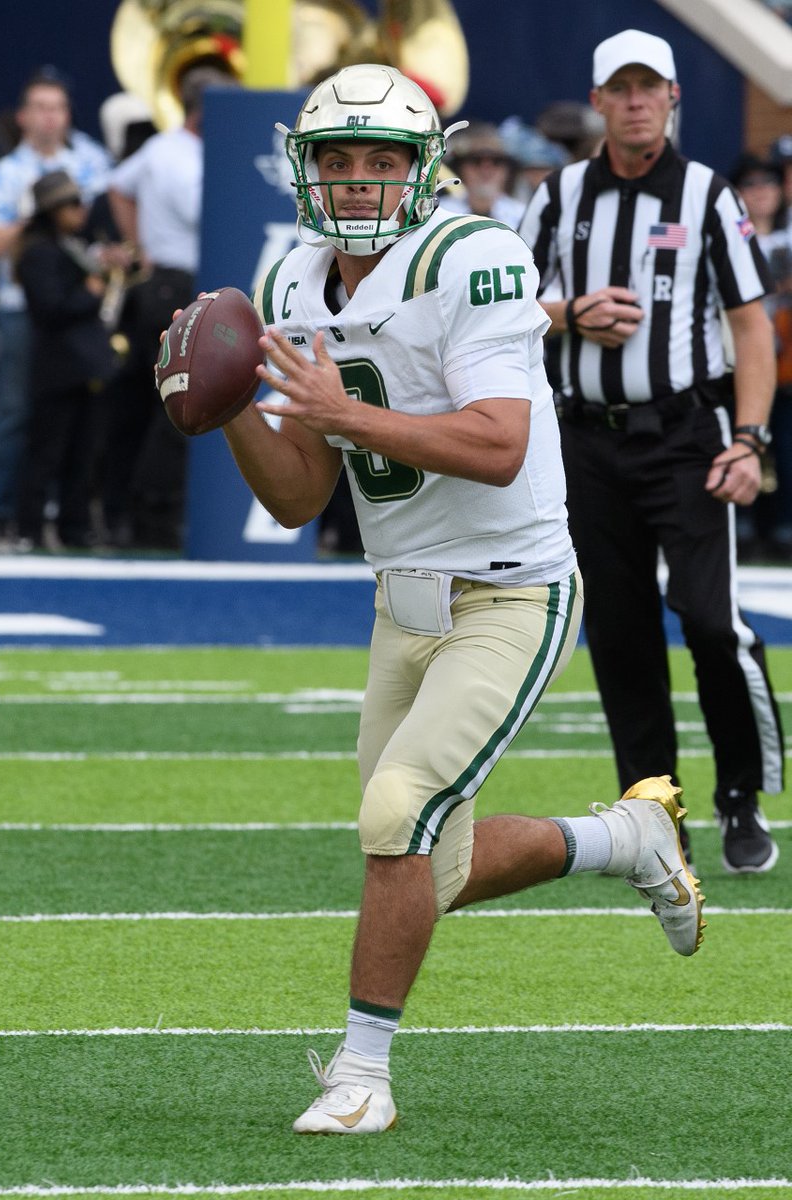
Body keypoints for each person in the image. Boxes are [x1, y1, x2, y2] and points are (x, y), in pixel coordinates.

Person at [210, 63, 704, 1134]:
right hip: (403, 603)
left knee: (396, 818)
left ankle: (360, 1072)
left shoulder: (471, 256)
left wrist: (346, 411)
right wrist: (218, 412)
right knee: (426, 866)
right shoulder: (295, 281)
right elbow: (299, 495)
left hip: (512, 596)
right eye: (336, 160)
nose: (354, 182)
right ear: (303, 167)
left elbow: (498, 442)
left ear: (421, 169)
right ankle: (625, 839)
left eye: (379, 160)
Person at [520, 29, 784, 877]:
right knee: (621, 633)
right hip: (587, 439)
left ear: (675, 97)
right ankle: (653, 810)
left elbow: (750, 327)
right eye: (620, 89)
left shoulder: (708, 194)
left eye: (651, 87)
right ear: (597, 101)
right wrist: (571, 315)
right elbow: (507, 309)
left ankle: (739, 793)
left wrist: (749, 439)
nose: (636, 101)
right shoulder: (557, 196)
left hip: (684, 436)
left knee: (712, 623)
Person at [106, 65, 237, 550]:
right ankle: (152, 516)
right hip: (176, 285)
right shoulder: (185, 160)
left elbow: (118, 186)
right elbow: (212, 216)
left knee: (153, 406)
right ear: (205, 111)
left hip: (164, 282)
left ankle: (136, 512)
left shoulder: (161, 149)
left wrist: (139, 244)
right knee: (178, 407)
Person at [0, 67, 111, 549]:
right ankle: (4, 511)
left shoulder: (93, 158)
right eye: (39, 107)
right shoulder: (6, 172)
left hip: (84, 306)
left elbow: (101, 227)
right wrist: (47, 220)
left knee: (83, 419)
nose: (48, 117)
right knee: (19, 410)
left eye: (57, 107)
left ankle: (71, 516)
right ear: (22, 116)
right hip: (22, 304)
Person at [12, 170, 118, 549]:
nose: (81, 210)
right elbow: (50, 308)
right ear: (52, 209)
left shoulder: (69, 246)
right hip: (58, 369)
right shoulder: (39, 252)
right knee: (46, 453)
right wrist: (91, 292)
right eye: (72, 204)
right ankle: (30, 529)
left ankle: (74, 530)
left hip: (83, 366)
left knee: (82, 454)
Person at [729, 153, 792, 561]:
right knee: (740, 438)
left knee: (786, 448)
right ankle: (742, 524)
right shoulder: (731, 238)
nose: (761, 194)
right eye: (751, 186)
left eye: (769, 185)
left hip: (788, 365)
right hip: (739, 360)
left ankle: (784, 526)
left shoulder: (788, 240)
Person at [439, 121, 525, 228]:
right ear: (460, 168)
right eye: (476, 161)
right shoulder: (440, 213)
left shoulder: (523, 217)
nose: (486, 170)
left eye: (496, 161)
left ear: (508, 170)